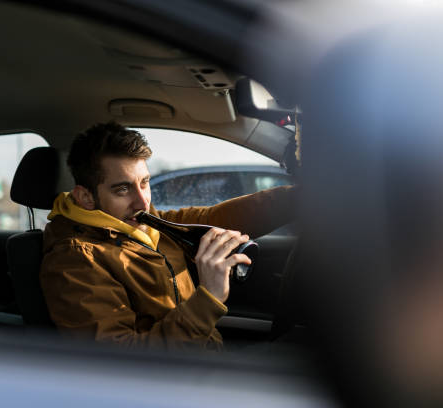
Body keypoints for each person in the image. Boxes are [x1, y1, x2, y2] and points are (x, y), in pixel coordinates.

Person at [40, 122, 297, 351]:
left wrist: (298, 198)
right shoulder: (75, 259)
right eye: (122, 190)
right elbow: (120, 363)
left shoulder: (147, 225)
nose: (142, 201)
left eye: (144, 182)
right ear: (85, 197)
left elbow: (214, 219)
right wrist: (208, 298)